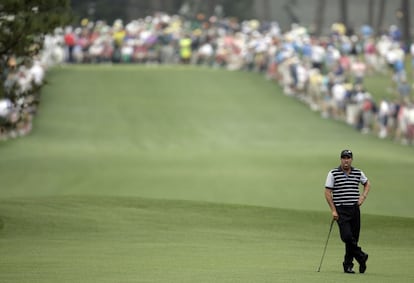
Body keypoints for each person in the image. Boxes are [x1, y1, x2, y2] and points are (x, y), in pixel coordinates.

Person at [324, 149, 370, 274]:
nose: (346, 160)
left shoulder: (358, 172)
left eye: (348, 158)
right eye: (344, 158)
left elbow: (367, 184)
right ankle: (361, 256)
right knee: (347, 236)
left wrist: (363, 197)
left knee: (354, 238)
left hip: (354, 209)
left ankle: (348, 265)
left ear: (351, 159)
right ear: (341, 159)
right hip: (341, 210)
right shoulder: (333, 173)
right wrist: (333, 210)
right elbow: (327, 192)